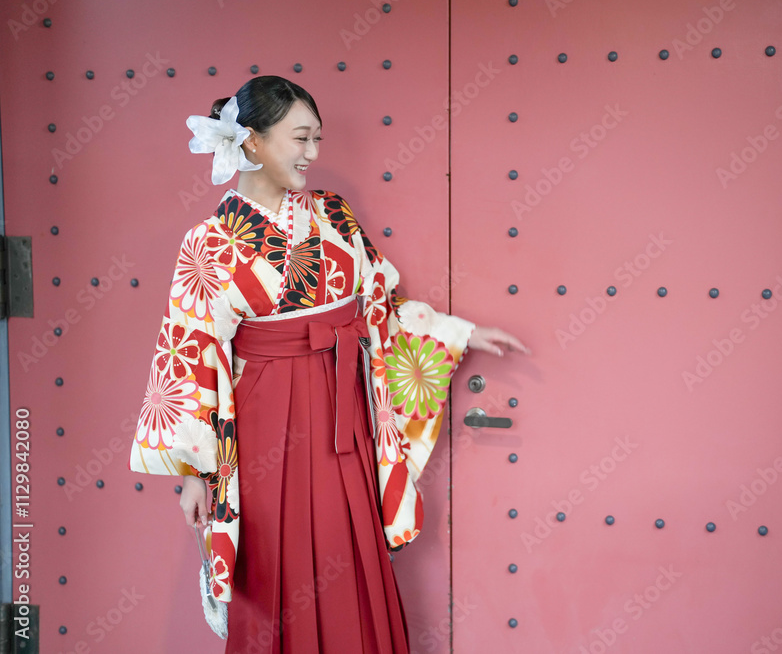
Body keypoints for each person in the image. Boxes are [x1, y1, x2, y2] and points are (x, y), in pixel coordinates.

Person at [127, 75, 529, 653]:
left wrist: (457, 332)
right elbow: (192, 352)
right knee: (274, 559)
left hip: (344, 412)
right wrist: (194, 473)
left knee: (349, 551)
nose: (313, 153)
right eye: (301, 138)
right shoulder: (209, 243)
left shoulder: (334, 216)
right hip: (264, 422)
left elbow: (379, 307)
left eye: (317, 138)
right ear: (252, 140)